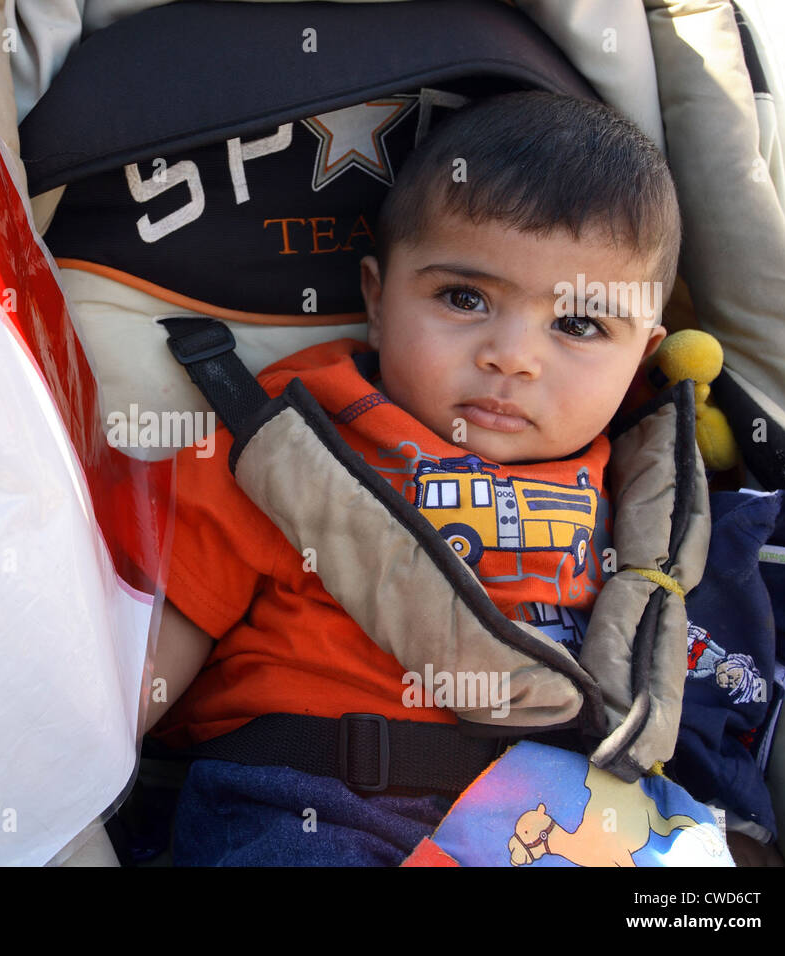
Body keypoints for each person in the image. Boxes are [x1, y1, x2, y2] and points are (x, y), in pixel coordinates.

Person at [141, 91, 682, 865]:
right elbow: (144, 665)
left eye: (578, 324)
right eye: (464, 299)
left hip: (549, 824)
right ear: (377, 298)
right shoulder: (289, 443)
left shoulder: (639, 488)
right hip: (311, 801)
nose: (512, 356)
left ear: (644, 353)